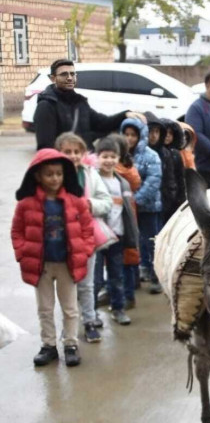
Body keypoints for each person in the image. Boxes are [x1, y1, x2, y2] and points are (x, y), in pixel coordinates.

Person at [12, 148, 95, 367]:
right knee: (45, 308)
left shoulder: (75, 201)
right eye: (49, 174)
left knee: (70, 308)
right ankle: (48, 345)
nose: (55, 178)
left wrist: (85, 251)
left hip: (67, 264)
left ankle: (70, 344)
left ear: (64, 174)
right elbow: (17, 230)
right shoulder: (27, 204)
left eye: (58, 173)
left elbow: (88, 229)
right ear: (37, 175)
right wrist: (22, 253)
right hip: (42, 266)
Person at [55, 132, 112, 343]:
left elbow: (106, 202)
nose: (73, 156)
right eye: (67, 151)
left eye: (76, 151)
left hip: (86, 237)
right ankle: (69, 326)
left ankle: (89, 320)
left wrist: (89, 205)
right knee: (66, 286)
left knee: (87, 284)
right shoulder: (52, 174)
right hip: (60, 239)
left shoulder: (90, 174)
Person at [34, 59, 142, 150]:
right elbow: (45, 146)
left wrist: (125, 114)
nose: (70, 78)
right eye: (64, 74)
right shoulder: (46, 106)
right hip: (65, 166)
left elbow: (102, 123)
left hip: (85, 163)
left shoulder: (80, 103)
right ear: (53, 78)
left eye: (72, 74)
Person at [93, 137, 138, 326]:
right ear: (97, 157)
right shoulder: (92, 179)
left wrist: (131, 233)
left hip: (117, 236)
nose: (109, 160)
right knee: (94, 278)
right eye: (105, 156)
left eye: (113, 156)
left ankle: (118, 308)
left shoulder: (123, 183)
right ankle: (91, 312)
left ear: (118, 158)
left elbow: (128, 211)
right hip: (96, 237)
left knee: (116, 274)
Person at [121, 117, 162, 295]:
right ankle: (136, 275)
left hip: (147, 207)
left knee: (151, 241)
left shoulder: (151, 156)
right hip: (128, 210)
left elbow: (153, 181)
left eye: (133, 135)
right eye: (126, 134)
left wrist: (135, 201)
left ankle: (156, 275)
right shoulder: (120, 155)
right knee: (132, 243)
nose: (129, 138)